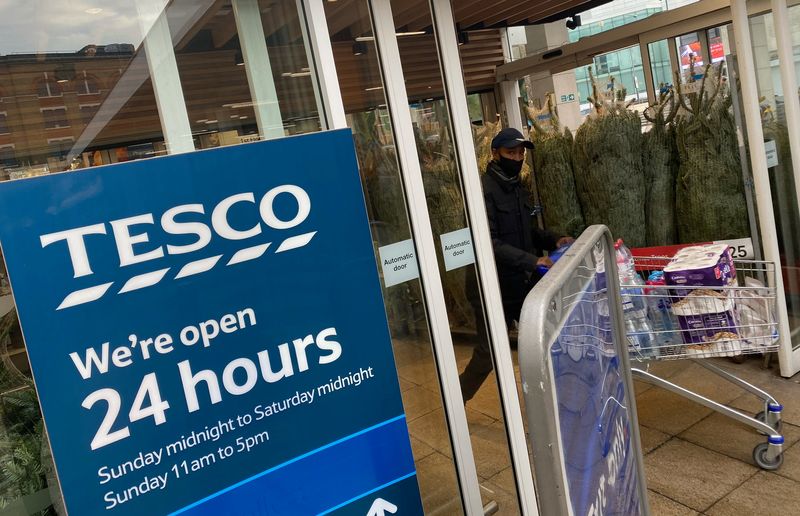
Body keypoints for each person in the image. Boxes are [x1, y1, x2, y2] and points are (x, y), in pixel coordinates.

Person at [460, 127, 573, 402]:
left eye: (521, 152)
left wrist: (554, 239)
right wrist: (533, 260)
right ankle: (454, 399)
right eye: (511, 152)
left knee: (545, 337)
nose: (518, 157)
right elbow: (489, 242)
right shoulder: (482, 192)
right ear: (495, 154)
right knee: (489, 353)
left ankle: (554, 399)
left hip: (520, 282)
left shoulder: (517, 188)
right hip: (491, 286)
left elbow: (528, 231)